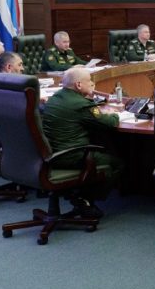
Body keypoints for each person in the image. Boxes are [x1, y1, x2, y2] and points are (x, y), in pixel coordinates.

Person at [41, 66, 124, 217]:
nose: (92, 83)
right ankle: (84, 199)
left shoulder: (55, 97)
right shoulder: (81, 104)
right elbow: (109, 123)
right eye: (89, 80)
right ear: (78, 85)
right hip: (71, 155)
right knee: (116, 163)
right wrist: (116, 114)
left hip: (50, 154)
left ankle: (77, 193)